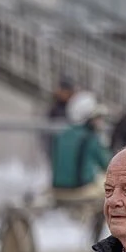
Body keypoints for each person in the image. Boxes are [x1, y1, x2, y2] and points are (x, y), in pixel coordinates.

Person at [51, 91, 111, 241]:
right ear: (87, 118)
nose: (99, 121)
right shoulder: (91, 137)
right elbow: (109, 164)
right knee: (113, 187)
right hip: (80, 190)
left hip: (57, 189)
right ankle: (96, 238)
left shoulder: (62, 134)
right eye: (96, 117)